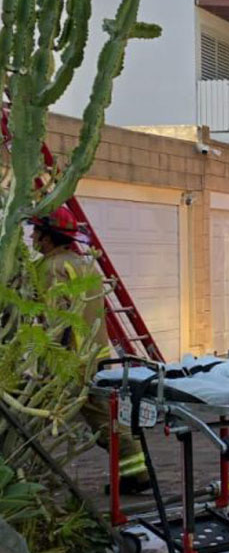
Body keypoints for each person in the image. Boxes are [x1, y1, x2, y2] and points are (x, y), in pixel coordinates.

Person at [31, 206, 151, 494]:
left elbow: (58, 319)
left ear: (48, 237)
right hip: (94, 353)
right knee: (102, 414)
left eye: (36, 231)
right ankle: (136, 470)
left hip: (70, 358)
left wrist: (52, 363)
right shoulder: (81, 263)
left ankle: (26, 479)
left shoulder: (51, 268)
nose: (32, 236)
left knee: (43, 416)